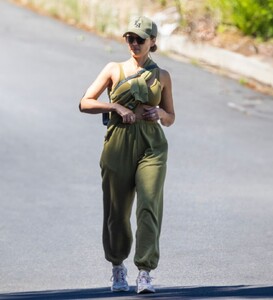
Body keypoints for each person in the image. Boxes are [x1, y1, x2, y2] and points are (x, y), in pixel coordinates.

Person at [79, 15, 175, 294]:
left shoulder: (163, 76)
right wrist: (115, 109)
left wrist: (160, 113)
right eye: (129, 38)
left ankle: (145, 270)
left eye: (140, 39)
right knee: (117, 210)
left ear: (152, 42)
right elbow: (85, 102)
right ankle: (117, 266)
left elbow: (171, 117)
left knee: (149, 205)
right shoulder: (113, 68)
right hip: (118, 141)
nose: (133, 43)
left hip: (152, 144)